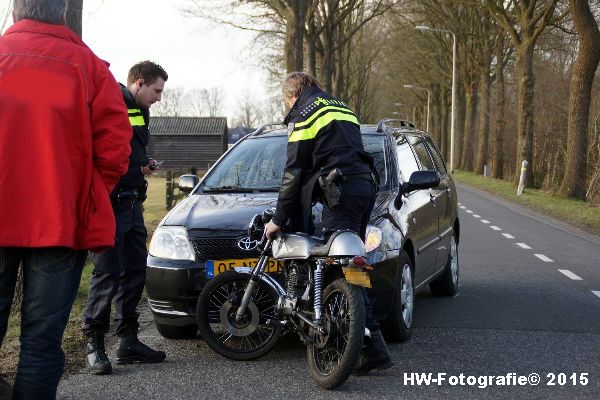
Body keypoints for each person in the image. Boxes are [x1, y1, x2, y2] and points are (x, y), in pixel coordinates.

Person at [0, 0, 132, 398]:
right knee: (41, 343)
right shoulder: (88, 67)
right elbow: (115, 150)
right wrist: (83, 192)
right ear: (61, 13)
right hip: (59, 223)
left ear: (13, 12)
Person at [264, 72, 393, 375]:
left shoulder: (303, 112)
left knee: (339, 268)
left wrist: (279, 219)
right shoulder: (341, 106)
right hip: (364, 187)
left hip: (341, 192)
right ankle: (370, 344)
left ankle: (370, 347)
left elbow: (293, 170)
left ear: (292, 95)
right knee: (353, 266)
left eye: (287, 102)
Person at [82, 61, 168, 374]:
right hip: (109, 203)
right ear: (139, 83)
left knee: (134, 272)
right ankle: (94, 344)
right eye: (156, 90)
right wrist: (136, 167)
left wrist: (144, 163)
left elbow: (131, 151)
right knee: (107, 272)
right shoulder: (110, 102)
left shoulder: (140, 110)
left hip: (133, 204)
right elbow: (104, 154)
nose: (159, 97)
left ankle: (127, 341)